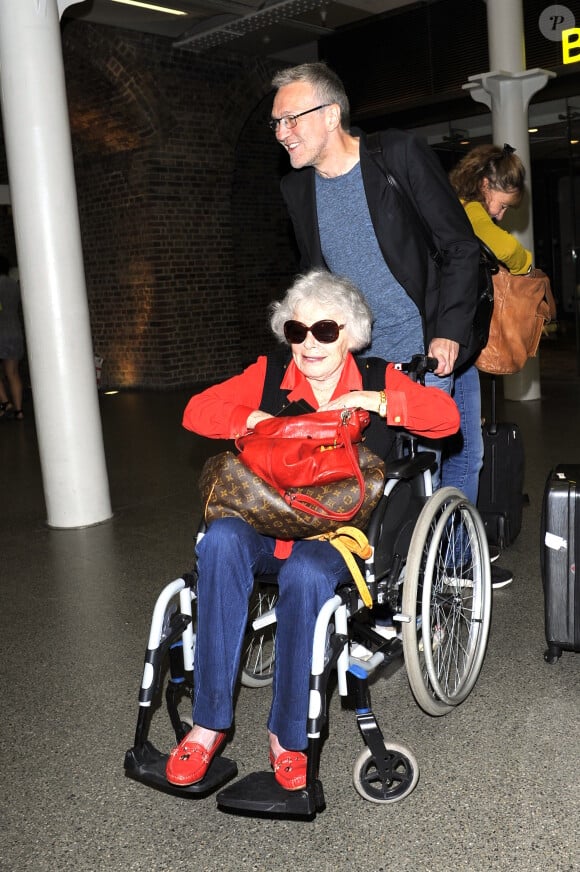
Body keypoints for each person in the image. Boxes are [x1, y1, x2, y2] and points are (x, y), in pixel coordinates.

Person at [166, 269, 460, 791]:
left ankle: (288, 736)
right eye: (297, 332)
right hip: (267, 522)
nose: (309, 344)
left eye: (325, 331)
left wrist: (381, 403)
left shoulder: (376, 376)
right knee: (219, 541)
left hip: (336, 536)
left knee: (304, 572)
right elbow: (195, 411)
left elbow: (445, 419)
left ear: (351, 333)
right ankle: (208, 724)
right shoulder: (269, 375)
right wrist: (249, 419)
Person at [269, 63, 484, 526]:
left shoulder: (398, 155)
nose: (282, 132)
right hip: (363, 353)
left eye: (292, 119)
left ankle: (456, 558)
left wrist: (447, 332)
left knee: (438, 457)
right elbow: (315, 279)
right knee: (368, 466)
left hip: (425, 341)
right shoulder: (296, 188)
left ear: (331, 115)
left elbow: (460, 247)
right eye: (277, 123)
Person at [448, 143, 531, 589]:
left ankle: (450, 547)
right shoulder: (471, 213)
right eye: (502, 203)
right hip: (456, 349)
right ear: (486, 185)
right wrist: (527, 263)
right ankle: (457, 561)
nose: (500, 214)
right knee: (467, 454)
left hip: (454, 343)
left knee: (458, 447)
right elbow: (513, 254)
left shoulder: (454, 210)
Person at [0, 256, 24, 421]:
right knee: (13, 373)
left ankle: (5, 403)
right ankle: (19, 411)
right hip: (15, 332)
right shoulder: (14, 285)